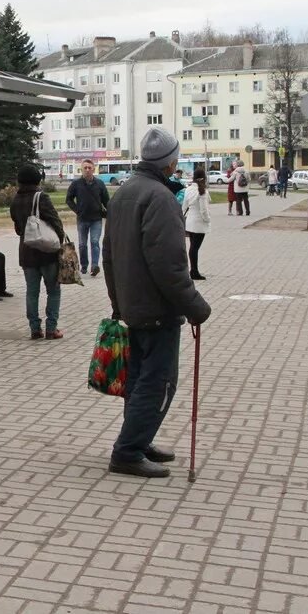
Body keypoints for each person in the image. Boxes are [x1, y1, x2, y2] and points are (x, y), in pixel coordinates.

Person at [102, 129, 211, 478]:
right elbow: (169, 265)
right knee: (158, 381)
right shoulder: (160, 198)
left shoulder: (125, 192)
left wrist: (118, 300)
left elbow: (109, 256)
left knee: (138, 379)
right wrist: (195, 306)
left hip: (134, 305)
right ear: (171, 162)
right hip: (156, 308)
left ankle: (139, 438)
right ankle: (128, 450)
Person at [10, 165, 67, 340]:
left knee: (32, 292)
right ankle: (51, 328)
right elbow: (55, 221)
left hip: (27, 252)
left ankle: (35, 328)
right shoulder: (41, 197)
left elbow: (19, 229)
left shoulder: (15, 200)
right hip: (47, 253)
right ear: (38, 180)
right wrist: (60, 239)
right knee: (53, 291)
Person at [65, 160, 109, 277]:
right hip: (82, 219)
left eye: (90, 168)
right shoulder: (76, 184)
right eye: (85, 168)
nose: (87, 170)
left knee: (94, 242)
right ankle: (84, 265)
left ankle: (94, 266)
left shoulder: (99, 184)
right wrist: (77, 210)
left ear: (94, 169)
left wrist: (110, 212)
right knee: (82, 245)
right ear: (82, 169)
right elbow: (68, 199)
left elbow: (106, 201)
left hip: (96, 219)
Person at [182, 168, 212, 281]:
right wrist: (207, 220)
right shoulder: (203, 191)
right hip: (199, 223)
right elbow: (204, 210)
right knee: (195, 248)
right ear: (204, 177)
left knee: (193, 247)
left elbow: (184, 206)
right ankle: (194, 271)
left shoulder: (188, 189)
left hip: (190, 222)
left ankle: (193, 270)